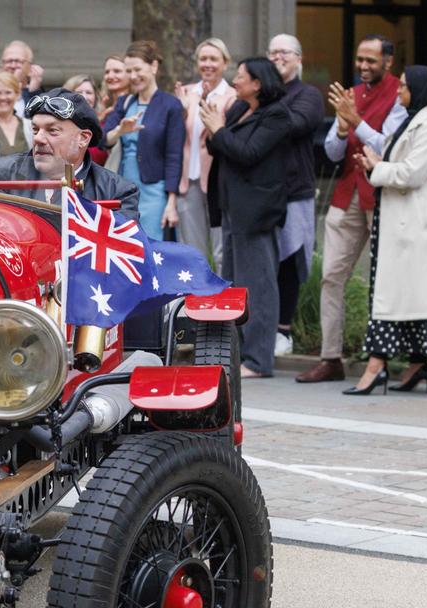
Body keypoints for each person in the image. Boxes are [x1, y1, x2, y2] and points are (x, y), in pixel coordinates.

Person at [296, 35, 406, 383]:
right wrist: (342, 130)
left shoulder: (401, 96)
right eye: (360, 59)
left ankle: (385, 357)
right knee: (331, 276)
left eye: (371, 61)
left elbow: (389, 145)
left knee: (385, 280)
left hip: (382, 196)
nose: (363, 66)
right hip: (346, 195)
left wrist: (356, 121)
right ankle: (331, 358)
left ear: (387, 62)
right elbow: (331, 153)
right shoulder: (351, 95)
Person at [202, 57, 291, 378]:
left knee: (258, 285)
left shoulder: (277, 115)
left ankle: (258, 359)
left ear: (258, 83)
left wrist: (219, 130)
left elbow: (247, 153)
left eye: (241, 77)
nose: (235, 81)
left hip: (257, 211)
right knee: (234, 283)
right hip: (231, 207)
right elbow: (219, 147)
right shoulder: (240, 109)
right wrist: (215, 131)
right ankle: (236, 352)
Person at [344, 66, 427, 395]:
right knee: (404, 298)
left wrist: (376, 167)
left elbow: (412, 173)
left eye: (405, 87)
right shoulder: (413, 119)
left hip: (412, 224)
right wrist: (375, 164)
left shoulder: (426, 122)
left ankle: (376, 367)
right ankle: (416, 364)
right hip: (398, 221)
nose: (399, 92)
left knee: (398, 299)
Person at [0, 87, 139, 218]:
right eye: (35, 129)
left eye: (52, 131)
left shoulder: (117, 192)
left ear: (83, 138)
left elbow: (123, 250)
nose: (38, 139)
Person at [267, 33, 324, 357]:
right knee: (264, 263)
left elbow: (295, 125)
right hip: (262, 192)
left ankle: (283, 330)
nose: (278, 58)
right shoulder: (261, 96)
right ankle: (263, 327)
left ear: (298, 58)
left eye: (285, 52)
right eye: (273, 52)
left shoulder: (309, 95)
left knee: (290, 260)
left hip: (294, 190)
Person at [102, 41, 185, 241]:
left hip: (154, 191)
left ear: (154, 66)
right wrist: (119, 131)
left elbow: (174, 155)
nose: (133, 76)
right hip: (122, 190)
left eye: (137, 69)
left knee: (151, 246)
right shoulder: (125, 102)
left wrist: (171, 202)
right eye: (128, 71)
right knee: (124, 248)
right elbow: (103, 139)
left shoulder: (170, 105)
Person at [174, 38, 235, 269]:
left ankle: (221, 302)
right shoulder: (186, 93)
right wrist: (179, 109)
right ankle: (194, 302)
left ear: (225, 63)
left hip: (217, 181)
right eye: (203, 59)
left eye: (213, 59)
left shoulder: (233, 95)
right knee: (191, 250)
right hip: (187, 179)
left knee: (220, 251)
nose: (208, 64)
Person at [0, 40, 44, 116]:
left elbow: (36, 124)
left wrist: (33, 92)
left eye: (18, 61)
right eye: (9, 61)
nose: (13, 66)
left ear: (30, 66)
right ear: (1, 67)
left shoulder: (40, 95)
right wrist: (13, 84)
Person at [97, 55, 130, 122]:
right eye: (107, 72)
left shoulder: (135, 103)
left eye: (117, 71)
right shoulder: (102, 104)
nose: (110, 76)